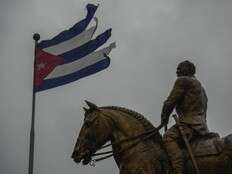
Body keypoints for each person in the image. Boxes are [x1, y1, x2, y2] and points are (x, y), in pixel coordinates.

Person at [161, 60, 209, 174]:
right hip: (202, 126)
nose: (177, 71)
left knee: (168, 137)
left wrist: (164, 118)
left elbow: (170, 102)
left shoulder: (183, 80)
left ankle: (178, 170)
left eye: (179, 68)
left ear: (188, 69)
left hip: (189, 123)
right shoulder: (202, 89)